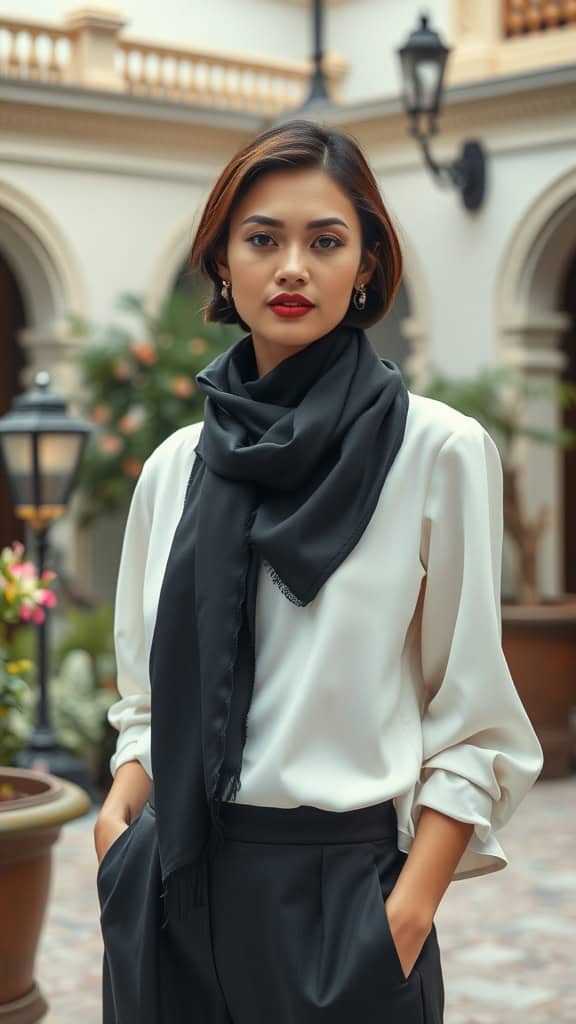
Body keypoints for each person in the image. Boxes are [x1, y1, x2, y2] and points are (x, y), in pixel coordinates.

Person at [94, 120, 543, 1024]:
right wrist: (117, 827)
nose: (291, 266)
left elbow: (475, 722)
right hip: (171, 890)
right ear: (222, 262)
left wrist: (403, 919)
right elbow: (146, 697)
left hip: (343, 904)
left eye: (326, 240)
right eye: (262, 239)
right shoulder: (177, 467)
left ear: (368, 265)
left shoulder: (439, 452)